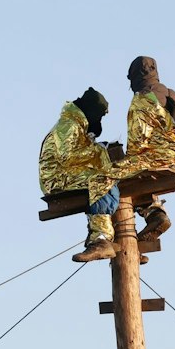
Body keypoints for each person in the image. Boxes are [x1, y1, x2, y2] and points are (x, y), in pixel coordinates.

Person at [38, 87, 123, 263]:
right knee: (100, 180)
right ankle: (100, 238)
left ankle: (113, 233)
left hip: (68, 172)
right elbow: (67, 156)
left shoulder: (79, 125)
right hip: (56, 177)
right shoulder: (68, 124)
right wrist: (99, 150)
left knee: (114, 175)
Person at [119, 55, 175, 241]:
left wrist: (124, 160)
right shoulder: (171, 94)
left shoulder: (142, 100)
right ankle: (154, 215)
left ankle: (106, 236)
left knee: (110, 175)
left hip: (156, 156)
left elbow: (137, 141)